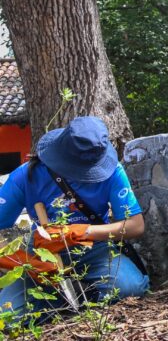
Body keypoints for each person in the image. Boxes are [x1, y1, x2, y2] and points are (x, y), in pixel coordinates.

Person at [0, 115, 147, 319]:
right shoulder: (26, 176)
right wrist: (26, 262)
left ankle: (77, 296)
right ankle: (58, 299)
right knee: (6, 315)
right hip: (42, 252)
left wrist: (80, 232)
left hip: (96, 247)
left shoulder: (113, 172)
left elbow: (135, 225)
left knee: (129, 288)